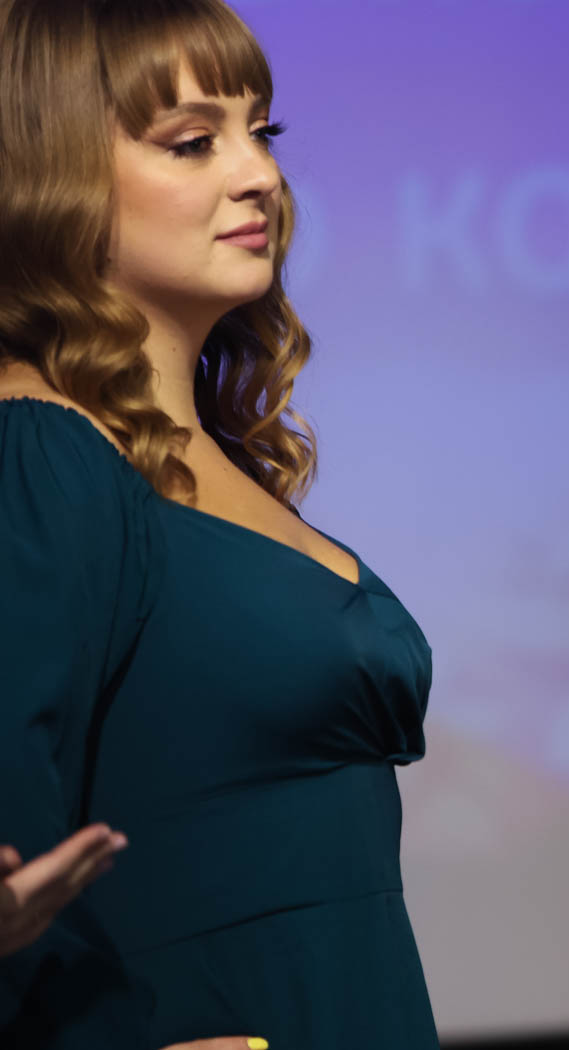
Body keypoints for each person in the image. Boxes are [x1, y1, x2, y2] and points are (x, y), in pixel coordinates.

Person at [0, 2, 438, 1047]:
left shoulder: (217, 454)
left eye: (262, 131)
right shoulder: (46, 450)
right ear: (52, 175)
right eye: (194, 142)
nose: (260, 176)